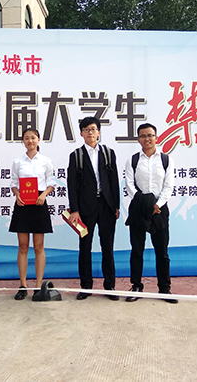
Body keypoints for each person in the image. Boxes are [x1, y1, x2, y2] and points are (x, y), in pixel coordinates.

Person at [67, 117, 120, 301]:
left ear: (99, 132)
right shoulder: (76, 155)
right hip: (84, 209)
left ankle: (110, 286)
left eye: (93, 129)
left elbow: (114, 181)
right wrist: (75, 209)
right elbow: (72, 185)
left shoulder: (108, 153)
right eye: (86, 129)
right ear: (81, 133)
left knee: (108, 247)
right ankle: (86, 286)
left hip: (106, 206)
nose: (90, 132)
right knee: (85, 247)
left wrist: (116, 206)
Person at [124, 123, 177, 303]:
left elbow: (168, 186)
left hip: (159, 210)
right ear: (138, 139)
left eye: (150, 135)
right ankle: (136, 286)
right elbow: (129, 185)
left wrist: (157, 204)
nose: (147, 139)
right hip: (138, 209)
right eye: (143, 136)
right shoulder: (132, 160)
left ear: (156, 137)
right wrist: (144, 203)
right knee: (136, 251)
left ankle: (164, 289)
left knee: (162, 252)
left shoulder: (166, 160)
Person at [9, 128, 57, 300]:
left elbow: (51, 183)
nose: (30, 141)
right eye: (26, 138)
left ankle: (38, 285)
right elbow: (14, 182)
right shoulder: (17, 162)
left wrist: (44, 195)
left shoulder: (46, 161)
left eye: (33, 138)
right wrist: (17, 194)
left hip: (39, 203)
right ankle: (22, 285)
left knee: (38, 246)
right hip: (22, 204)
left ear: (38, 140)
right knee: (23, 246)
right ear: (23, 141)